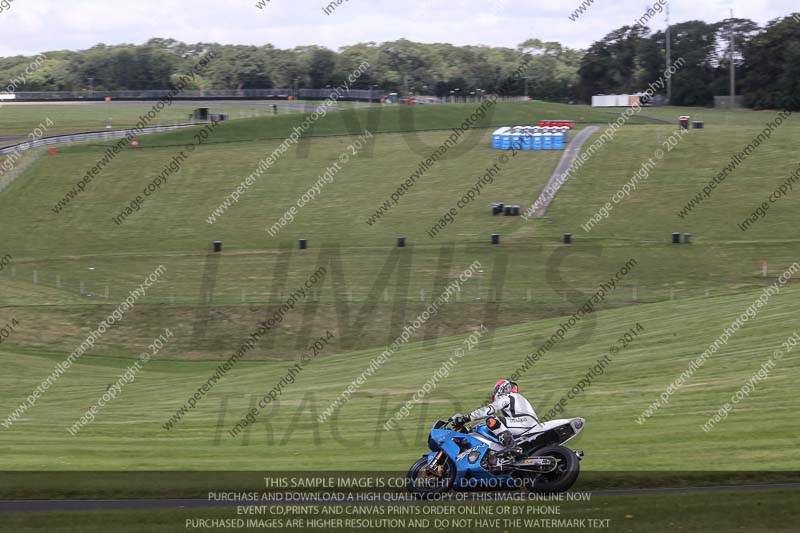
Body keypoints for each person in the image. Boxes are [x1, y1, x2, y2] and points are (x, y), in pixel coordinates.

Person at [451, 379, 540, 457]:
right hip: (526, 423)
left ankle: (511, 446)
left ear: (501, 388)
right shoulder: (516, 398)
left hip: (526, 422)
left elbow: (489, 410)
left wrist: (466, 418)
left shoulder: (508, 396)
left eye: (496, 390)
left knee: (492, 420)